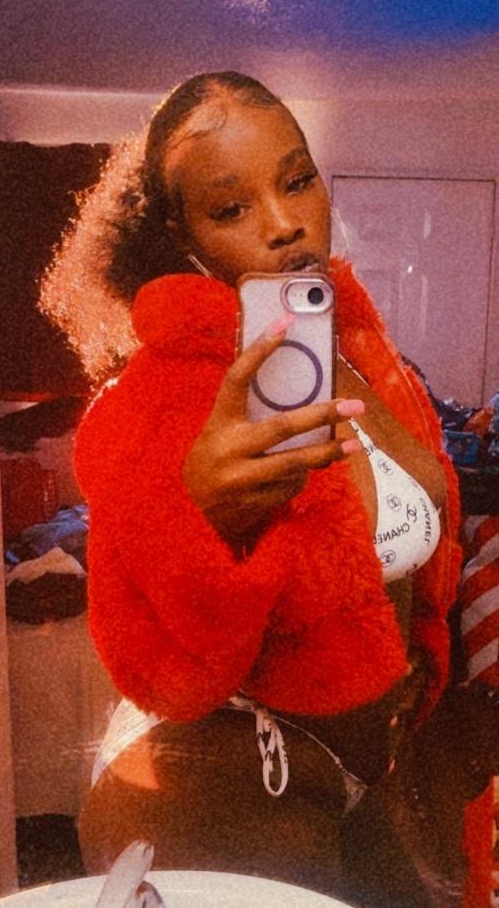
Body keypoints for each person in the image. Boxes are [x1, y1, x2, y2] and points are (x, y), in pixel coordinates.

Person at [40, 72, 462, 906]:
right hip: (213, 777)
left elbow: (414, 556)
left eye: (297, 180)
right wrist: (207, 527)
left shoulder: (358, 352)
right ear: (182, 234)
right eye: (231, 208)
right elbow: (164, 675)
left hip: (364, 770)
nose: (283, 223)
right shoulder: (151, 402)